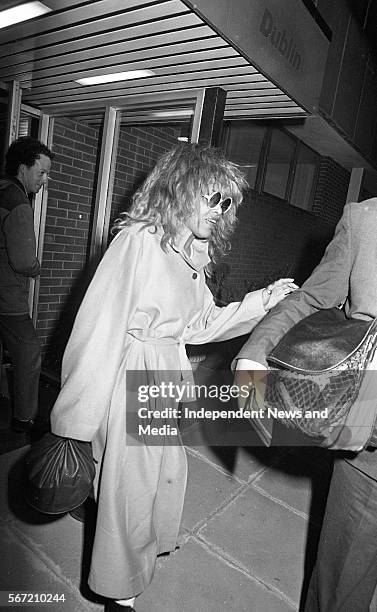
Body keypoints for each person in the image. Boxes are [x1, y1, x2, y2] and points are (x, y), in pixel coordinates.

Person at [50, 143, 296, 612]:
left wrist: (264, 301)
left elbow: (201, 324)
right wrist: (75, 423)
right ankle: (119, 596)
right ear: (182, 190)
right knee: (131, 491)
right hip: (130, 372)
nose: (220, 210)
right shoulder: (140, 242)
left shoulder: (191, 253)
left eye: (227, 203)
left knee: (156, 479)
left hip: (164, 375)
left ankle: (125, 552)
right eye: (213, 197)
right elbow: (98, 330)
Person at [234, 197, 377, 611]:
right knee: (340, 592)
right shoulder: (365, 219)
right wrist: (255, 353)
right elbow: (314, 298)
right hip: (368, 447)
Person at [0, 136, 53, 433]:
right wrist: (37, 268)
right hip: (7, 296)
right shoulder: (18, 201)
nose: (45, 180)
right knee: (29, 351)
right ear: (23, 168)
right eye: (41, 172)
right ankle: (24, 419)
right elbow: (23, 261)